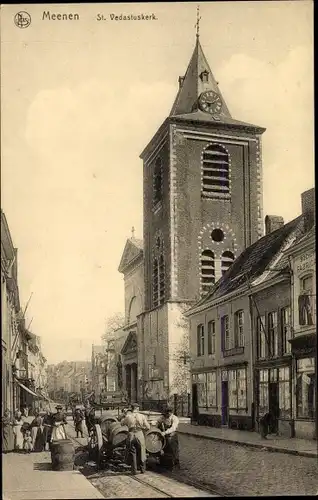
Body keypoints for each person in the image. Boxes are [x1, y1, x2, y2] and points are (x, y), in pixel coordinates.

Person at [121, 402, 150, 475]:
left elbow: (122, 423)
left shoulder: (128, 416)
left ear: (131, 408)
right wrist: (142, 427)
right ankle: (142, 469)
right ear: (138, 408)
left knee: (132, 452)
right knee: (142, 451)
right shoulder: (142, 416)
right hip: (139, 434)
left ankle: (134, 470)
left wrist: (124, 415)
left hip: (131, 434)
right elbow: (148, 427)